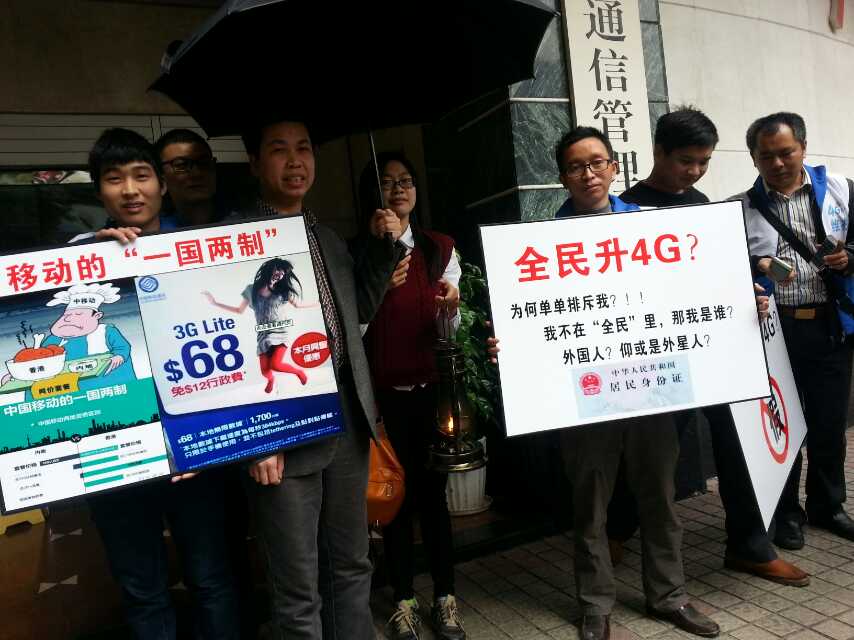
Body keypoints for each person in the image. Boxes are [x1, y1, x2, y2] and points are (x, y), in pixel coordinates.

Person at [611, 107, 809, 587]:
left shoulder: (704, 204)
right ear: (658, 152)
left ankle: (748, 545)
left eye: (704, 162)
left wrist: (749, 291)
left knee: (738, 442)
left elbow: (720, 271)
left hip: (714, 347)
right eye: (686, 160)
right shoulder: (625, 209)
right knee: (651, 451)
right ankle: (615, 530)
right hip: (661, 354)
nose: (696, 171)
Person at [232, 118, 399, 640]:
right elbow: (227, 350)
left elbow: (356, 315)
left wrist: (383, 250)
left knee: (352, 563)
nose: (295, 161)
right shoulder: (231, 240)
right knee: (298, 588)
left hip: (346, 413)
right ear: (255, 163)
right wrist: (257, 438)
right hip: (281, 426)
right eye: (279, 149)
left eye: (304, 148)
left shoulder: (326, 237)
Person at [554, 126, 719, 640]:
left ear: (613, 168)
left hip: (651, 383)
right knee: (590, 504)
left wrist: (741, 299)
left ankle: (669, 596)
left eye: (597, 162)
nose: (589, 174)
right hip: (587, 390)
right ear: (563, 178)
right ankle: (595, 605)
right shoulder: (542, 242)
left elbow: (690, 288)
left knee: (660, 497)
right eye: (576, 166)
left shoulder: (649, 227)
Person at [81, 127, 240, 640]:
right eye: (115, 178)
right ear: (99, 191)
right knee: (143, 591)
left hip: (195, 448)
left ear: (162, 185)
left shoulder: (198, 247)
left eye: (141, 175)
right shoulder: (76, 258)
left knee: (212, 579)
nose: (130, 190)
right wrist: (96, 267)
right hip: (116, 456)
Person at [355, 152, 463, 640]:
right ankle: (403, 599)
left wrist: (451, 307)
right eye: (386, 182)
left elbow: (450, 330)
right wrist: (377, 282)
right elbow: (350, 330)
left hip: (431, 394)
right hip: (381, 399)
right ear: (372, 194)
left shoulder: (439, 248)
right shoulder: (356, 252)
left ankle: (446, 598)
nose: (398, 189)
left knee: (434, 500)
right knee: (392, 499)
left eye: (406, 181)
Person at [738, 111, 854, 550]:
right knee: (783, 425)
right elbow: (724, 268)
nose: (777, 163)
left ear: (803, 148)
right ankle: (787, 513)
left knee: (828, 423)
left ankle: (828, 505)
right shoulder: (740, 208)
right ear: (753, 158)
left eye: (786, 152)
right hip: (773, 333)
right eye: (766, 156)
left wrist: (850, 258)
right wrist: (757, 265)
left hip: (829, 326)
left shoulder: (841, 191)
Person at [203, 257, 317, 392]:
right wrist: (215, 303)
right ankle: (271, 380)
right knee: (265, 372)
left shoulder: (282, 291)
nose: (280, 274)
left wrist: (318, 304)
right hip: (263, 334)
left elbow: (297, 305)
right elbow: (239, 310)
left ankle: (298, 372)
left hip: (280, 333)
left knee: (276, 364)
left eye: (283, 273)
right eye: (278, 270)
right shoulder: (251, 290)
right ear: (270, 269)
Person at [155, 128, 224, 226]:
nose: (197, 173)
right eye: (181, 165)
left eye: (203, 163)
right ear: (161, 177)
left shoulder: (243, 219)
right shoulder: (152, 231)